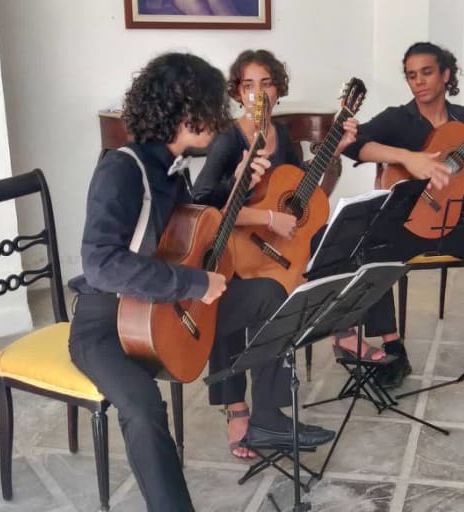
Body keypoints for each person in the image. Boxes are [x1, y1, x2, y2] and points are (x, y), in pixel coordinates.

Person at [67, 52, 324, 511]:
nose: (221, 117)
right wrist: (193, 283)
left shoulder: (173, 166)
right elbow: (102, 264)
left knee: (271, 293)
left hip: (164, 308)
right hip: (106, 323)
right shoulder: (121, 169)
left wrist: (239, 185)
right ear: (183, 110)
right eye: (211, 105)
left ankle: (266, 415)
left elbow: (197, 224)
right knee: (144, 407)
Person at [336, 41, 464, 387]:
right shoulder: (398, 118)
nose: (419, 81)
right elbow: (354, 145)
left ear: (446, 75)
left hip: (453, 219)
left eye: (427, 72)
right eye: (411, 75)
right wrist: (407, 157)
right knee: (369, 254)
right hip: (407, 223)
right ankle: (393, 348)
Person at [191, 49, 347, 459]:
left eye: (266, 84)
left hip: (270, 249)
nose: (258, 93)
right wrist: (266, 216)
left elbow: (299, 189)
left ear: (278, 89)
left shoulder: (282, 135)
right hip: (230, 250)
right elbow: (201, 206)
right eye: (248, 85)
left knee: (285, 297)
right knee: (234, 291)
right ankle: (236, 408)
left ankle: (269, 411)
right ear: (237, 93)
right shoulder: (228, 139)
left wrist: (331, 153)